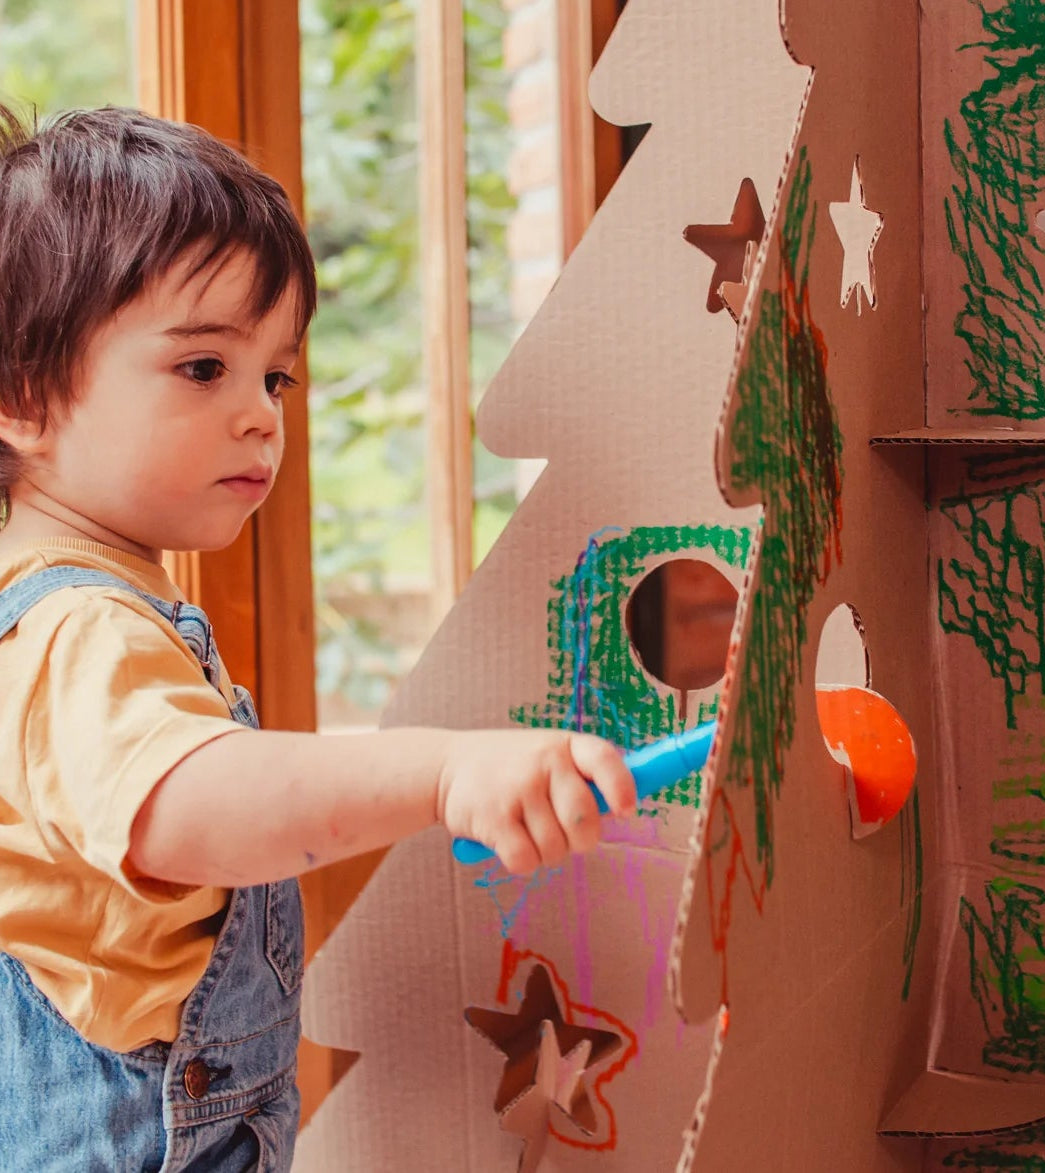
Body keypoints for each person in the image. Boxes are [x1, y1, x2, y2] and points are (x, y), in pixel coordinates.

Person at [0, 106, 635, 1172]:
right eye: (204, 367)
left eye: (276, 376)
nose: (260, 414)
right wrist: (442, 771)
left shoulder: (78, 604)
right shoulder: (79, 628)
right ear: (22, 395)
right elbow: (189, 807)